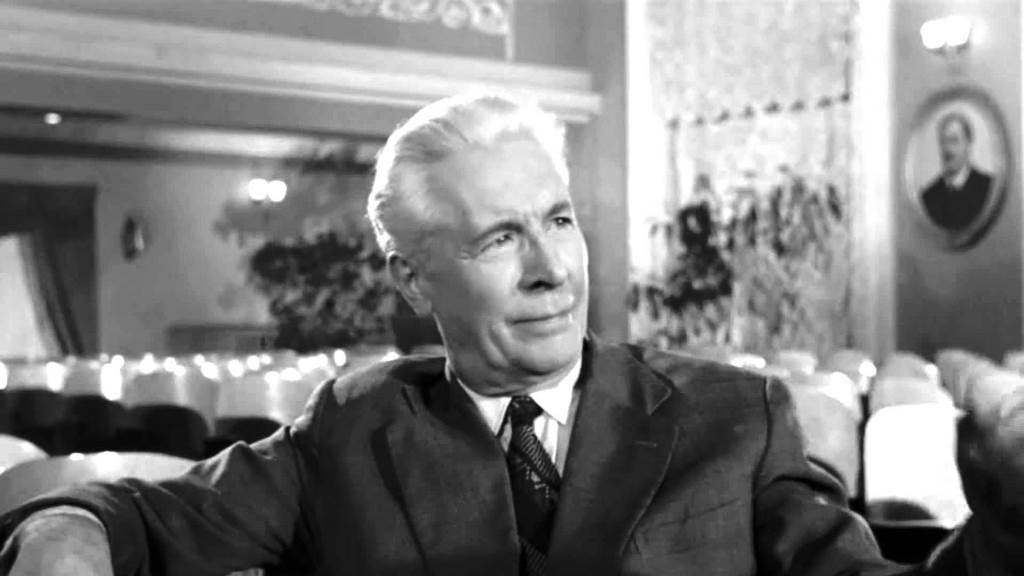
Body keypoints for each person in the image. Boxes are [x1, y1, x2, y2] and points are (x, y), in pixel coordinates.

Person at [1, 93, 1023, 576]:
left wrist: (1008, 529)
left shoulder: (735, 416)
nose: (552, 269)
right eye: (500, 238)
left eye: (559, 220)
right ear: (412, 280)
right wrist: (67, 536)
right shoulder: (347, 431)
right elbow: (135, 517)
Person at [919, 111, 993, 232]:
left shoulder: (989, 190)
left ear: (968, 145)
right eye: (943, 142)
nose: (948, 149)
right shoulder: (928, 198)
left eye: (954, 141)